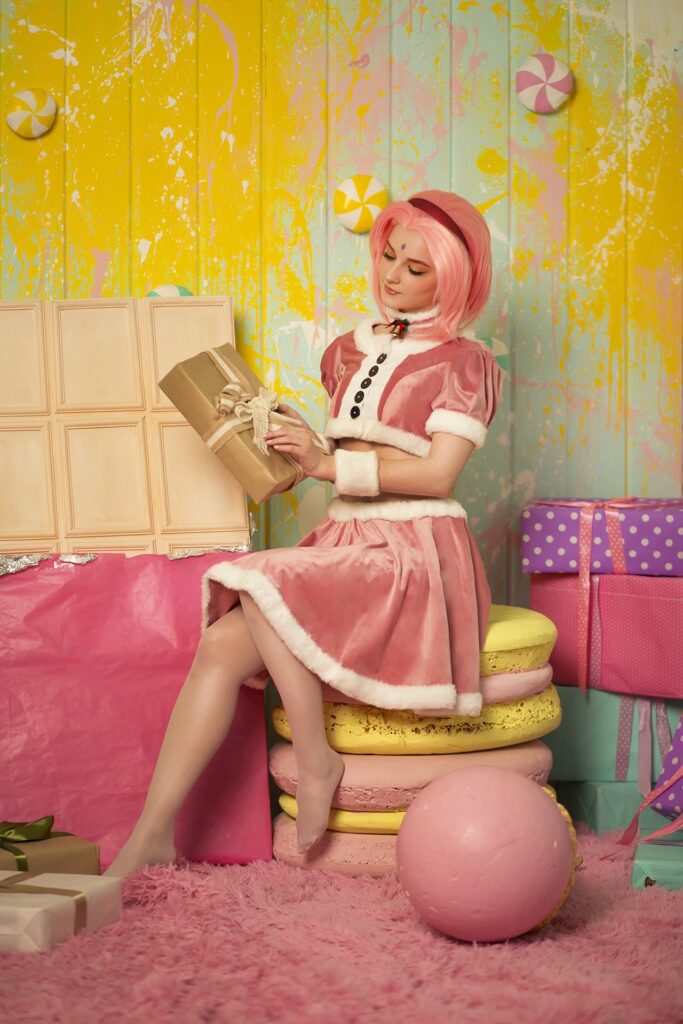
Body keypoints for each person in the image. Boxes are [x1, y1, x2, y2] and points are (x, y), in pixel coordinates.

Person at [105, 189, 503, 877]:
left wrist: (324, 463)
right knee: (220, 647)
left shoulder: (465, 363)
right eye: (388, 255)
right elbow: (337, 458)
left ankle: (317, 758)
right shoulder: (346, 351)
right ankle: (152, 835)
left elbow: (437, 474)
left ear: (453, 279)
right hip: (345, 539)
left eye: (415, 268)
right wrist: (289, 449)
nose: (392, 275)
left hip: (414, 551)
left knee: (260, 577)